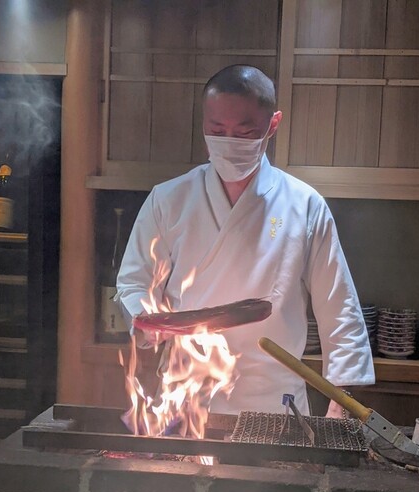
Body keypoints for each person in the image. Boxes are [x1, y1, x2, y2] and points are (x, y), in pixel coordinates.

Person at [116, 64, 375, 418]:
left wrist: (340, 402)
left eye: (244, 132)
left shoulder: (304, 205)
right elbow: (134, 282)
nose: (229, 142)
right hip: (186, 394)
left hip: (273, 400)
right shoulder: (169, 199)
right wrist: (147, 322)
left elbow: (339, 308)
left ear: (273, 124)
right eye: (217, 130)